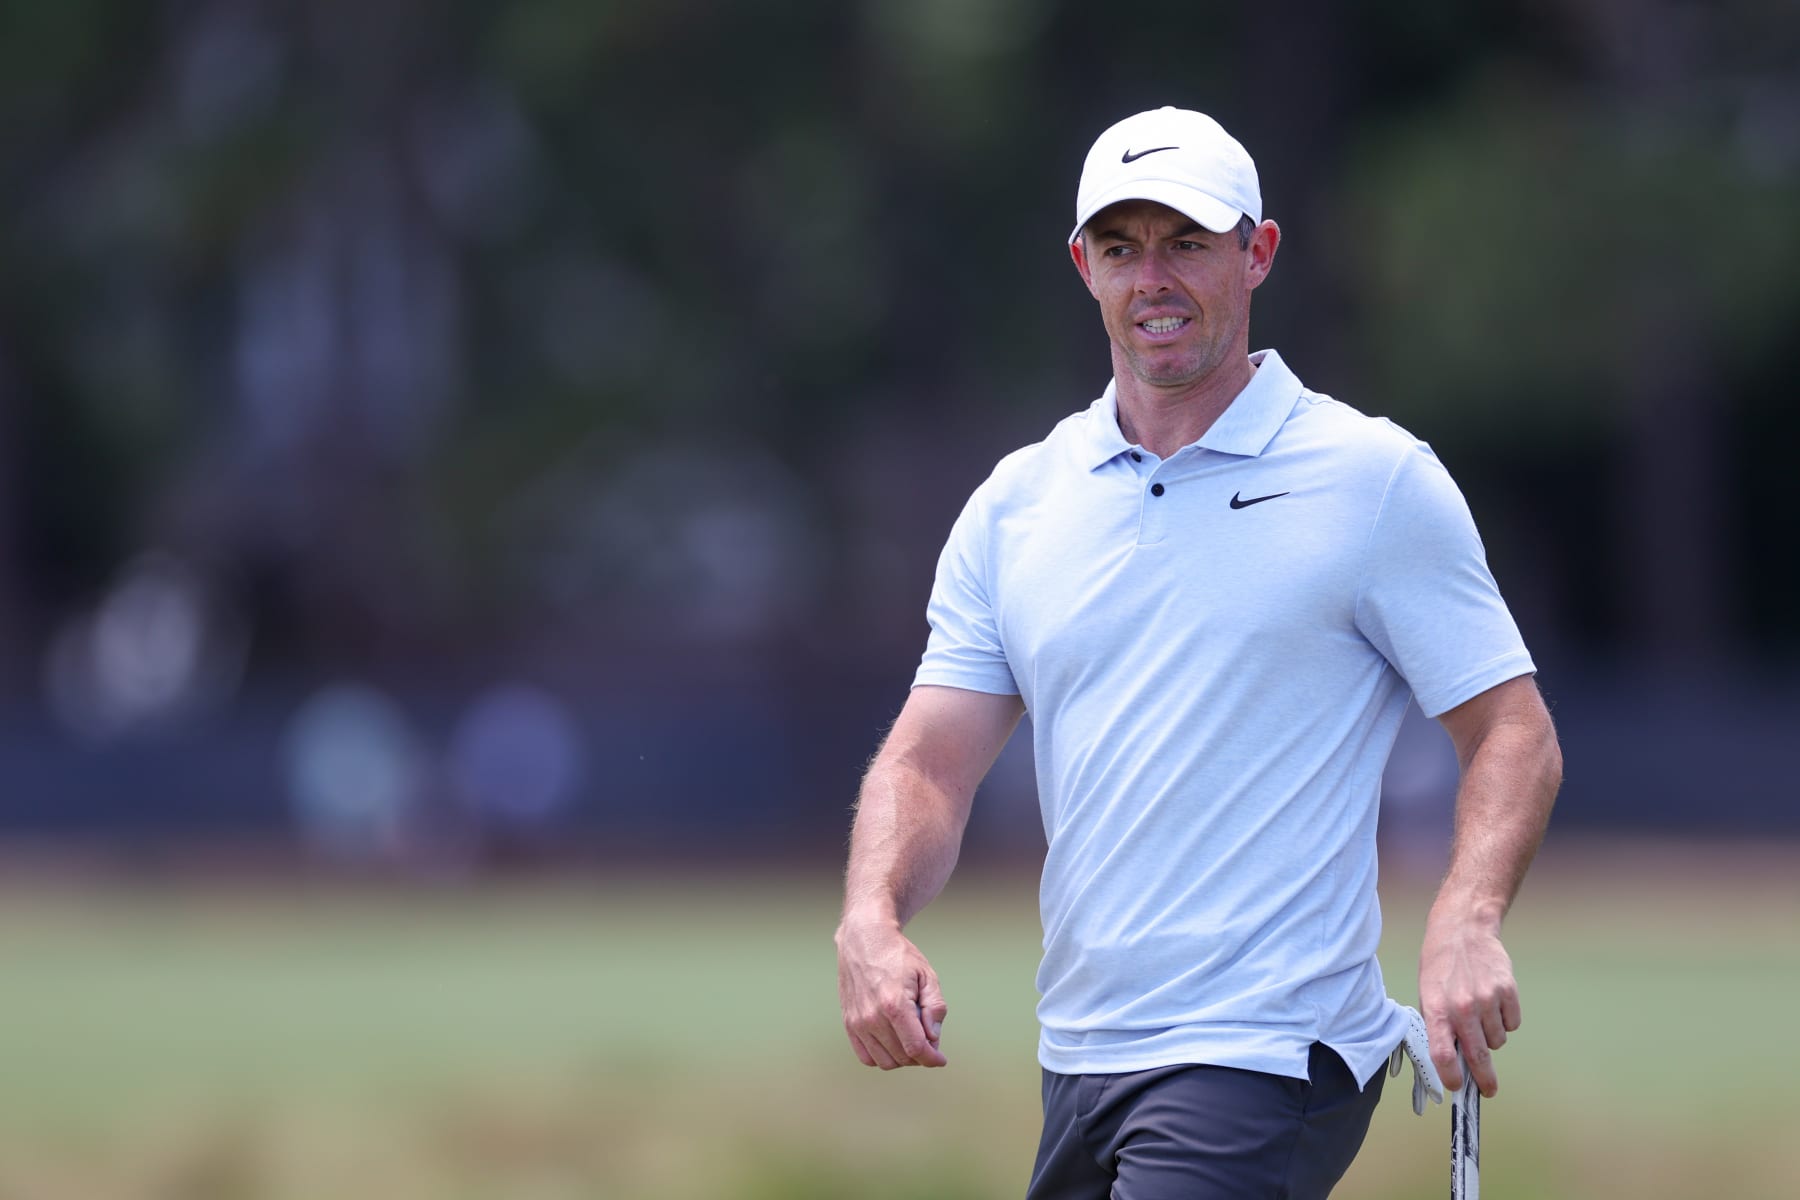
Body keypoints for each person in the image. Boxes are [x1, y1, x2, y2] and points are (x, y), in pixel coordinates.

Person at [834, 106, 1561, 1198]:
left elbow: (1513, 730)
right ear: (1084, 267)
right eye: (1121, 248)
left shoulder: (1371, 479)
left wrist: (1465, 915)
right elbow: (930, 762)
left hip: (1268, 1052)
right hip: (1082, 1056)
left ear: (1257, 253)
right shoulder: (1018, 503)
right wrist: (870, 916)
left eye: (1186, 243)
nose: (1152, 278)